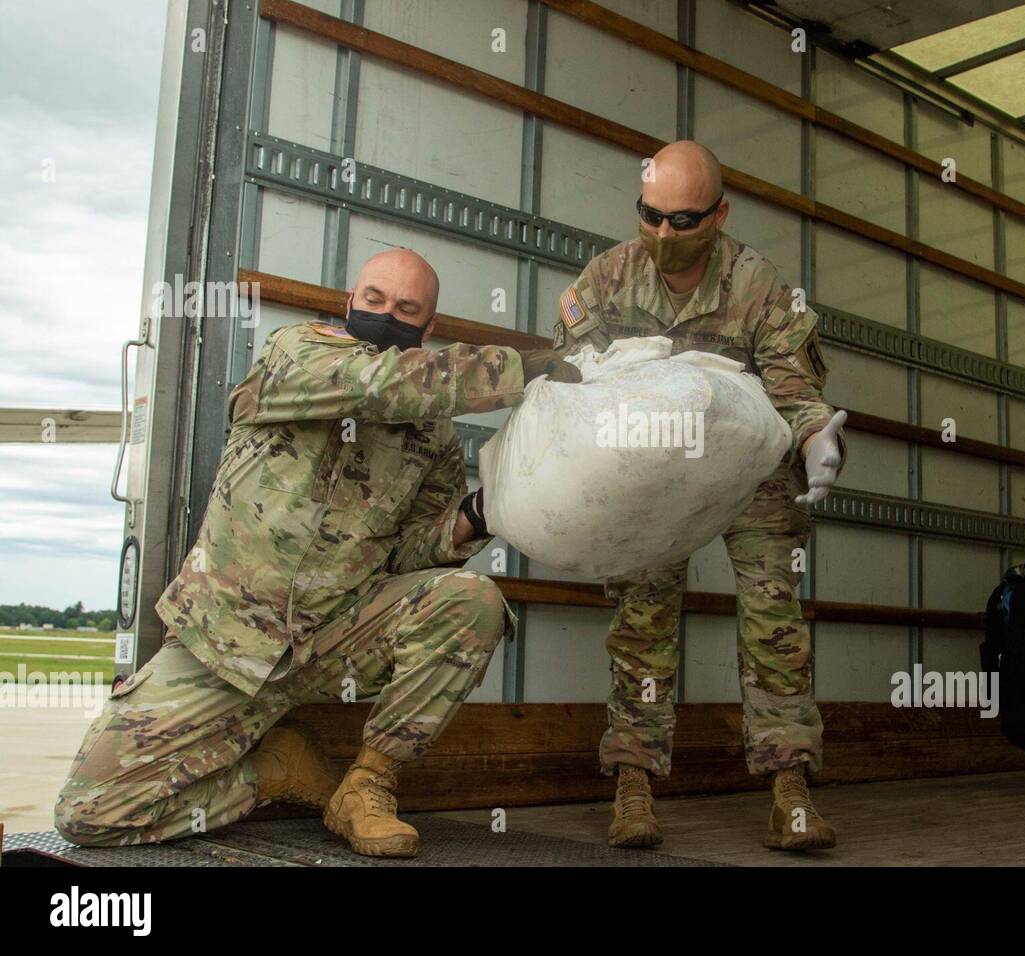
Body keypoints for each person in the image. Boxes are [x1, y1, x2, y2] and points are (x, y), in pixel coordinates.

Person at [55, 248, 580, 857]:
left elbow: (415, 554)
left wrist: (479, 515)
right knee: (88, 814)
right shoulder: (295, 353)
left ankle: (365, 788)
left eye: (406, 309)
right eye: (374, 300)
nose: (386, 315)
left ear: (428, 327)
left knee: (471, 601)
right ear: (349, 302)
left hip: (332, 640)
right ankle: (273, 773)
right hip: (224, 645)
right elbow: (378, 386)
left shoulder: (431, 431)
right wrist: (535, 367)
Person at [552, 141, 847, 851]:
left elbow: (792, 386)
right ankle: (633, 783)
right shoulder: (609, 277)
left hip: (750, 467)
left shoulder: (758, 284)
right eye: (650, 216)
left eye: (682, 221)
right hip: (653, 473)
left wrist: (816, 441)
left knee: (774, 613)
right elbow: (569, 378)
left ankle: (789, 788)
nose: (663, 235)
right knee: (641, 616)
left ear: (720, 212)